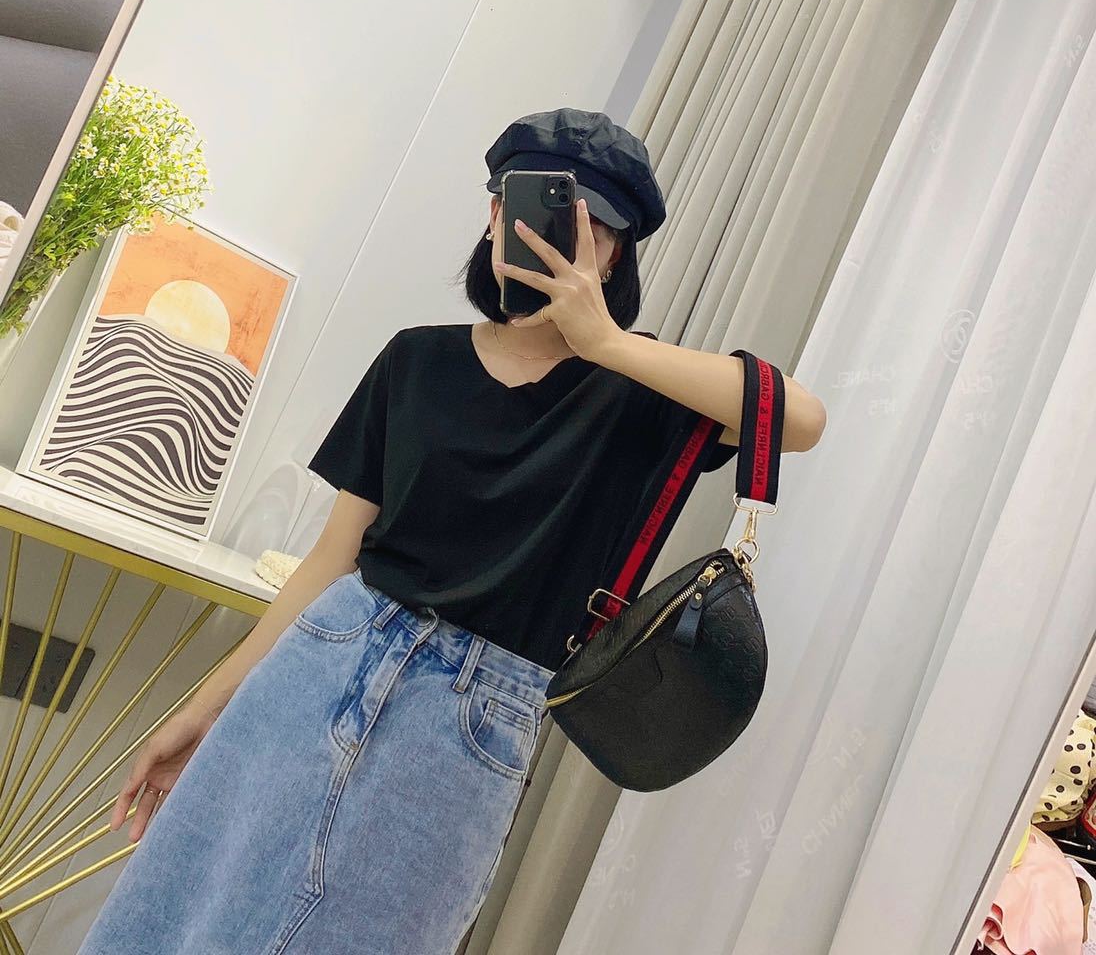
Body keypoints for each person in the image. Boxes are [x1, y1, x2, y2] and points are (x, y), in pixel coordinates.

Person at [76, 108, 826, 954]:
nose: (550, 236)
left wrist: (608, 344)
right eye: (533, 208)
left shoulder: (647, 393)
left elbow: (800, 420)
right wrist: (204, 709)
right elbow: (330, 562)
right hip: (321, 661)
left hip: (472, 719)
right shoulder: (414, 360)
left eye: (588, 225)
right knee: (175, 921)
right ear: (494, 215)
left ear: (615, 253)